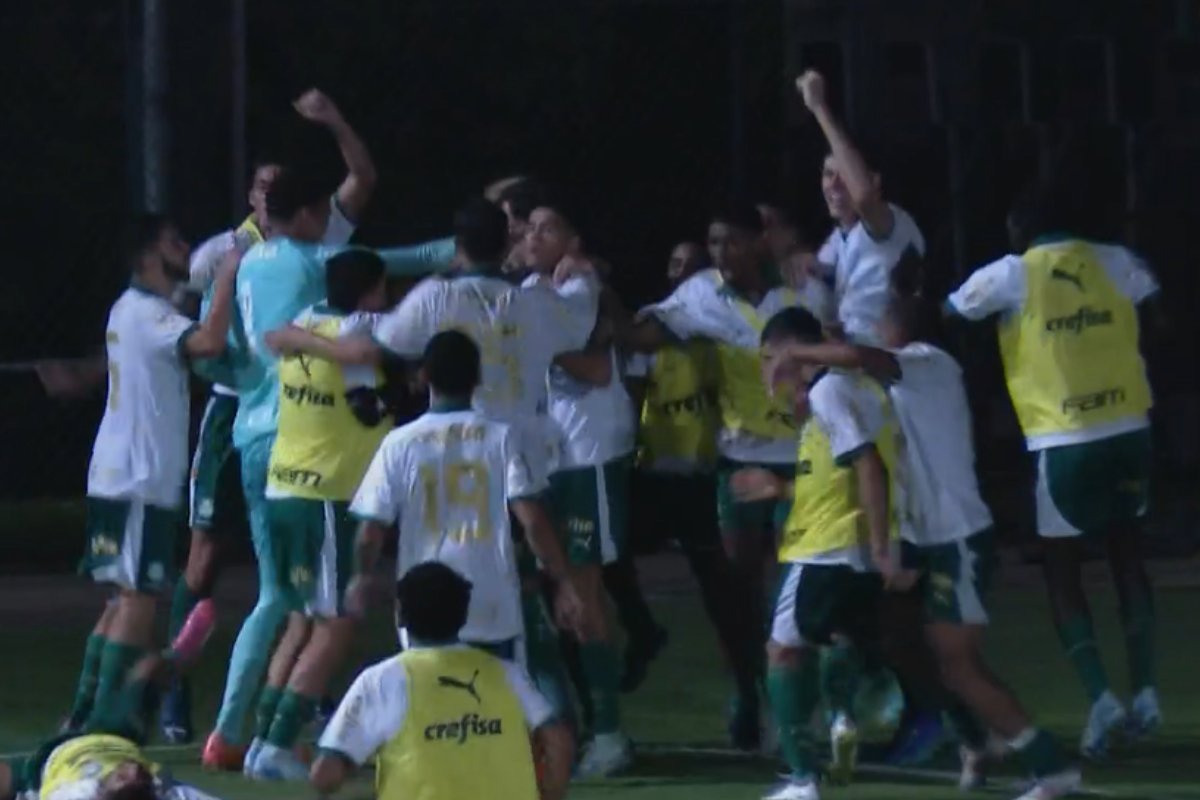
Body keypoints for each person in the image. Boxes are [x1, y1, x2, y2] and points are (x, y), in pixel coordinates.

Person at [272, 198, 596, 724]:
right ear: (508, 242)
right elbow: (580, 321)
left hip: (450, 478)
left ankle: (447, 734)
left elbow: (376, 341)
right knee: (530, 619)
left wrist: (298, 333)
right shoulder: (535, 304)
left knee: (432, 642)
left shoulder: (434, 303)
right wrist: (583, 276)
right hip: (527, 464)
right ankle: (557, 734)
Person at [765, 291, 1083, 799]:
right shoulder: (892, 381)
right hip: (922, 537)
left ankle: (1050, 768)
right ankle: (974, 739)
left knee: (958, 662)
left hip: (955, 537)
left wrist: (795, 354)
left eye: (876, 327)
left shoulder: (928, 364)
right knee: (902, 642)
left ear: (898, 329)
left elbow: (861, 359)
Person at [205, 157, 458, 768]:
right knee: (325, 611)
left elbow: (247, 344)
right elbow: (416, 262)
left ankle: (243, 732)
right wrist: (474, 245)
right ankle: (261, 738)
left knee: (287, 604)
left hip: (260, 438)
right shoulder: (322, 277)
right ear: (312, 213)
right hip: (310, 464)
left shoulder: (247, 267)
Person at [946, 174, 1162, 760]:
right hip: (1129, 428)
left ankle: (1100, 699)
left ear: (1021, 229)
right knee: (1127, 558)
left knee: (1062, 572)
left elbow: (951, 309)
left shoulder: (1015, 271)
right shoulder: (1115, 261)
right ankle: (1144, 690)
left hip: (1063, 438)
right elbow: (1153, 299)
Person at [622, 205, 834, 751]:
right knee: (737, 593)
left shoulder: (801, 291)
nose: (721, 254)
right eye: (714, 243)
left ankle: (812, 701)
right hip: (739, 461)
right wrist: (592, 305)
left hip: (801, 456)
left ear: (760, 243)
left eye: (732, 242)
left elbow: (836, 351)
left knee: (802, 587)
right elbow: (644, 333)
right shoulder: (700, 294)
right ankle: (747, 692)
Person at [62, 215, 240, 735]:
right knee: (140, 596)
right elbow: (207, 342)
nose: (185, 246)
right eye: (173, 241)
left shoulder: (133, 309)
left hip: (119, 473)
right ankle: (99, 722)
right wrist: (227, 277)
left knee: (122, 598)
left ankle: (82, 712)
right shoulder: (145, 312)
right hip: (141, 477)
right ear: (146, 256)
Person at [225, 249, 396, 780]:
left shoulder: (306, 321)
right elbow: (369, 401)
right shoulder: (359, 338)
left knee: (303, 618)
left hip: (286, 488)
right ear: (370, 292)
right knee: (339, 622)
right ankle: (277, 744)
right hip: (325, 493)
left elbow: (276, 338)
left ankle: (262, 743)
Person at [737, 306, 911, 800]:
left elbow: (868, 465)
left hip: (825, 548)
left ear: (795, 350)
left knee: (783, 651)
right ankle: (842, 713)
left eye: (771, 357)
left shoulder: (831, 391)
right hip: (848, 544)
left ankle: (802, 779)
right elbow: (840, 476)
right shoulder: (842, 393)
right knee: (836, 638)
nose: (767, 370)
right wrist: (780, 489)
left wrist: (878, 547)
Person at [524, 196, 637, 775]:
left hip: (586, 455)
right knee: (551, 596)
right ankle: (571, 723)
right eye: (530, 228)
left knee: (583, 592)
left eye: (550, 227)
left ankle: (610, 733)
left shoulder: (577, 289)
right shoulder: (534, 290)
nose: (536, 236)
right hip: (547, 458)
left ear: (574, 242)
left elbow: (594, 368)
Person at [312, 561, 574, 800]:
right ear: (463, 615)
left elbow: (326, 777)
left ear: (400, 614)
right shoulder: (507, 673)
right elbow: (559, 742)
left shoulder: (381, 681)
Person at [3, 605, 218, 800]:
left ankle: (78, 718)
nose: (134, 770)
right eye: (142, 779)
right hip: (115, 736)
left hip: (48, 763)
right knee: (146, 671)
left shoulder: (75, 794)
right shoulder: (169, 792)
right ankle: (176, 658)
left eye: (123, 778)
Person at [795, 70, 926, 345]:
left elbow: (863, 196)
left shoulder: (891, 223)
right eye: (827, 174)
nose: (833, 184)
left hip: (893, 367)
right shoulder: (836, 240)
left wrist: (818, 106)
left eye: (842, 174)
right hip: (853, 364)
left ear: (875, 179)